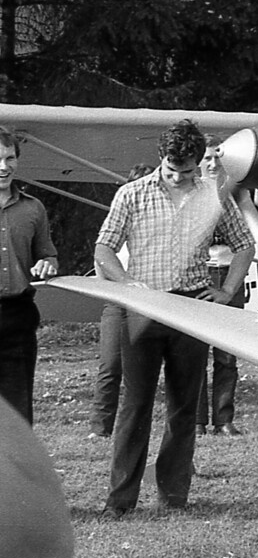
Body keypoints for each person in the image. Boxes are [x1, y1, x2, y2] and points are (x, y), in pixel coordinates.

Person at [95, 120, 253, 516]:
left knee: (185, 407)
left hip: (191, 309)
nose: (178, 176)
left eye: (187, 170)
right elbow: (103, 249)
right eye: (171, 168)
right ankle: (120, 500)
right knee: (135, 405)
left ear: (198, 163)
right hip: (144, 309)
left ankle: (174, 495)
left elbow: (245, 245)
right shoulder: (131, 194)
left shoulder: (213, 195)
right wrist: (127, 283)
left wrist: (227, 290)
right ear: (161, 158)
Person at [0, 127, 58, 425]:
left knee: (18, 415)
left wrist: (47, 264)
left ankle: (13, 474)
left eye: (10, 158)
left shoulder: (33, 208)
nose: (3, 166)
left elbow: (47, 254)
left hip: (16, 317)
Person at [89, 165, 151, 441]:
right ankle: (100, 428)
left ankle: (135, 427)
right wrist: (118, 285)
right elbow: (101, 259)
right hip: (117, 301)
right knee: (110, 365)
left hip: (150, 303)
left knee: (146, 368)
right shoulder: (115, 225)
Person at [196, 136, 245, 436]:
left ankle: (224, 420)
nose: (213, 164)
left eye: (218, 158)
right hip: (199, 275)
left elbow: (246, 244)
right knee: (195, 351)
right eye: (207, 159)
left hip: (230, 275)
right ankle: (197, 420)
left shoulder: (236, 193)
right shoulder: (185, 195)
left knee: (227, 354)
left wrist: (228, 288)